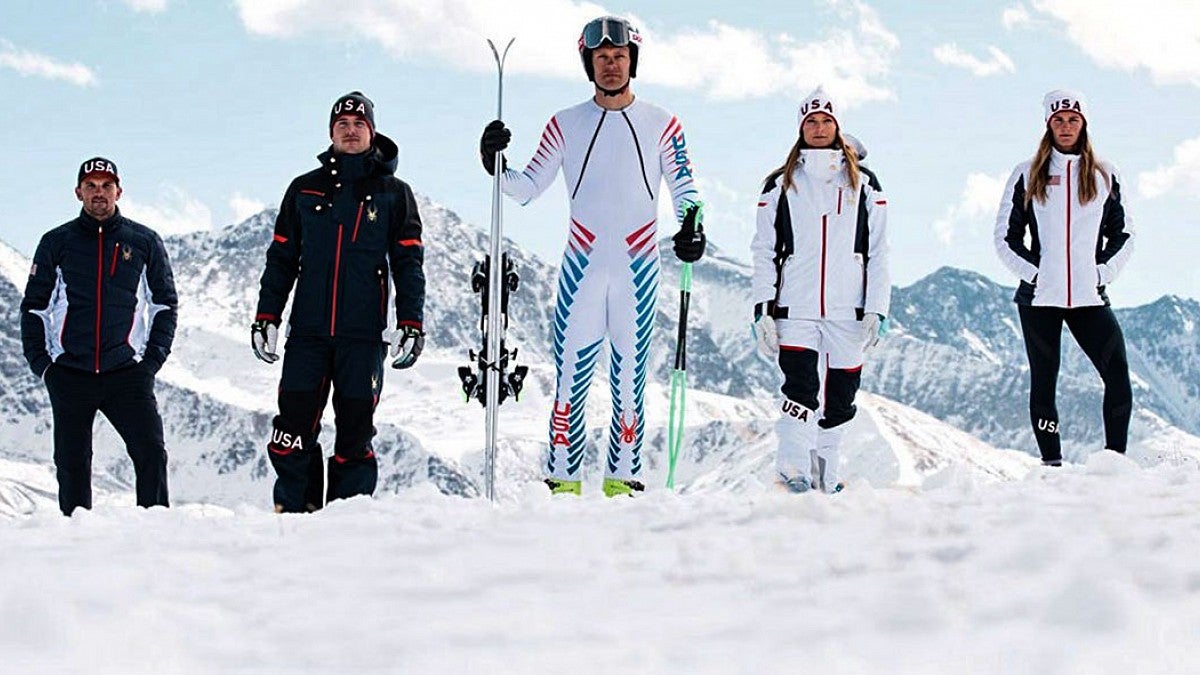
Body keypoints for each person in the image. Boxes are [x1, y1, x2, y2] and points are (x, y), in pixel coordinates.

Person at [478, 16, 706, 497]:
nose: (611, 65)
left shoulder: (663, 123)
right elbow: (525, 188)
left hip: (638, 270)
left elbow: (686, 187)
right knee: (569, 383)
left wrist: (692, 228)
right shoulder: (565, 123)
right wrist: (493, 161)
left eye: (619, 57)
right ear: (589, 63)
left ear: (632, 61)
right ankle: (562, 484)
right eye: (601, 58)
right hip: (581, 270)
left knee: (630, 381)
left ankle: (622, 484)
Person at [253, 92, 426, 513]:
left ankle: (349, 525)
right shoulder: (303, 189)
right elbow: (281, 259)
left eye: (359, 123)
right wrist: (267, 315)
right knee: (291, 431)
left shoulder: (393, 193)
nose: (351, 130)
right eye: (342, 124)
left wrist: (411, 321)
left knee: (355, 433)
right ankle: (295, 513)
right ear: (331, 132)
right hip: (308, 334)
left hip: (362, 337)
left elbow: (408, 263)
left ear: (372, 131)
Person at [750, 87, 890, 494]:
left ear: (838, 126)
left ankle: (826, 475)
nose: (818, 127)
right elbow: (763, 249)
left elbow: (879, 250)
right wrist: (763, 308)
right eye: (810, 121)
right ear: (800, 128)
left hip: (849, 309)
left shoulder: (865, 182)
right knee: (799, 390)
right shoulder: (780, 184)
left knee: (842, 396)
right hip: (796, 307)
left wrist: (876, 308)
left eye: (826, 121)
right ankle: (793, 471)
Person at [20, 158, 178, 515]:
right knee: (72, 465)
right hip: (70, 374)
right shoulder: (56, 242)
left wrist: (150, 362)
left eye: (106, 186)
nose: (99, 193)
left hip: (127, 372)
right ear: (78, 193)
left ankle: (156, 532)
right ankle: (78, 541)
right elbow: (34, 309)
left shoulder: (144, 241)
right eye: (90, 186)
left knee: (151, 452)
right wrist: (45, 367)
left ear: (119, 191)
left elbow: (164, 306)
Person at [994, 89, 1133, 466]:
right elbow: (1005, 238)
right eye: (1059, 120)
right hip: (1040, 298)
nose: (1066, 126)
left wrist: (1101, 272)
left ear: (1084, 123)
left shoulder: (1105, 174)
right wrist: (1036, 274)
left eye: (1073, 119)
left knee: (1117, 375)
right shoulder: (1027, 173)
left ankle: (1114, 461)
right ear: (1048, 125)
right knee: (1044, 382)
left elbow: (1124, 235)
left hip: (1089, 297)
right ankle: (1052, 463)